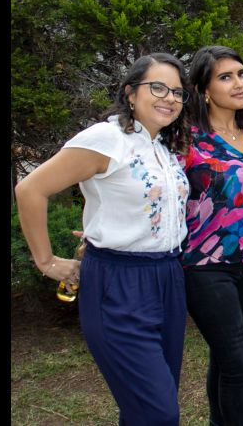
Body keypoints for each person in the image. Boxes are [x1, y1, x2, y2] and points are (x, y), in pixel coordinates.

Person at [15, 53, 192, 425]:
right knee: (159, 414)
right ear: (130, 93)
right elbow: (30, 189)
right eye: (157, 87)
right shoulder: (106, 138)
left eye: (177, 92)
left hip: (168, 280)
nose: (170, 98)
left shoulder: (162, 148)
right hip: (119, 284)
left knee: (144, 408)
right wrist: (46, 262)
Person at [181, 46, 243, 426]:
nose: (239, 83)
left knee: (224, 357)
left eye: (241, 73)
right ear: (204, 90)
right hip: (206, 265)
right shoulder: (187, 140)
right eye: (225, 77)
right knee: (238, 360)